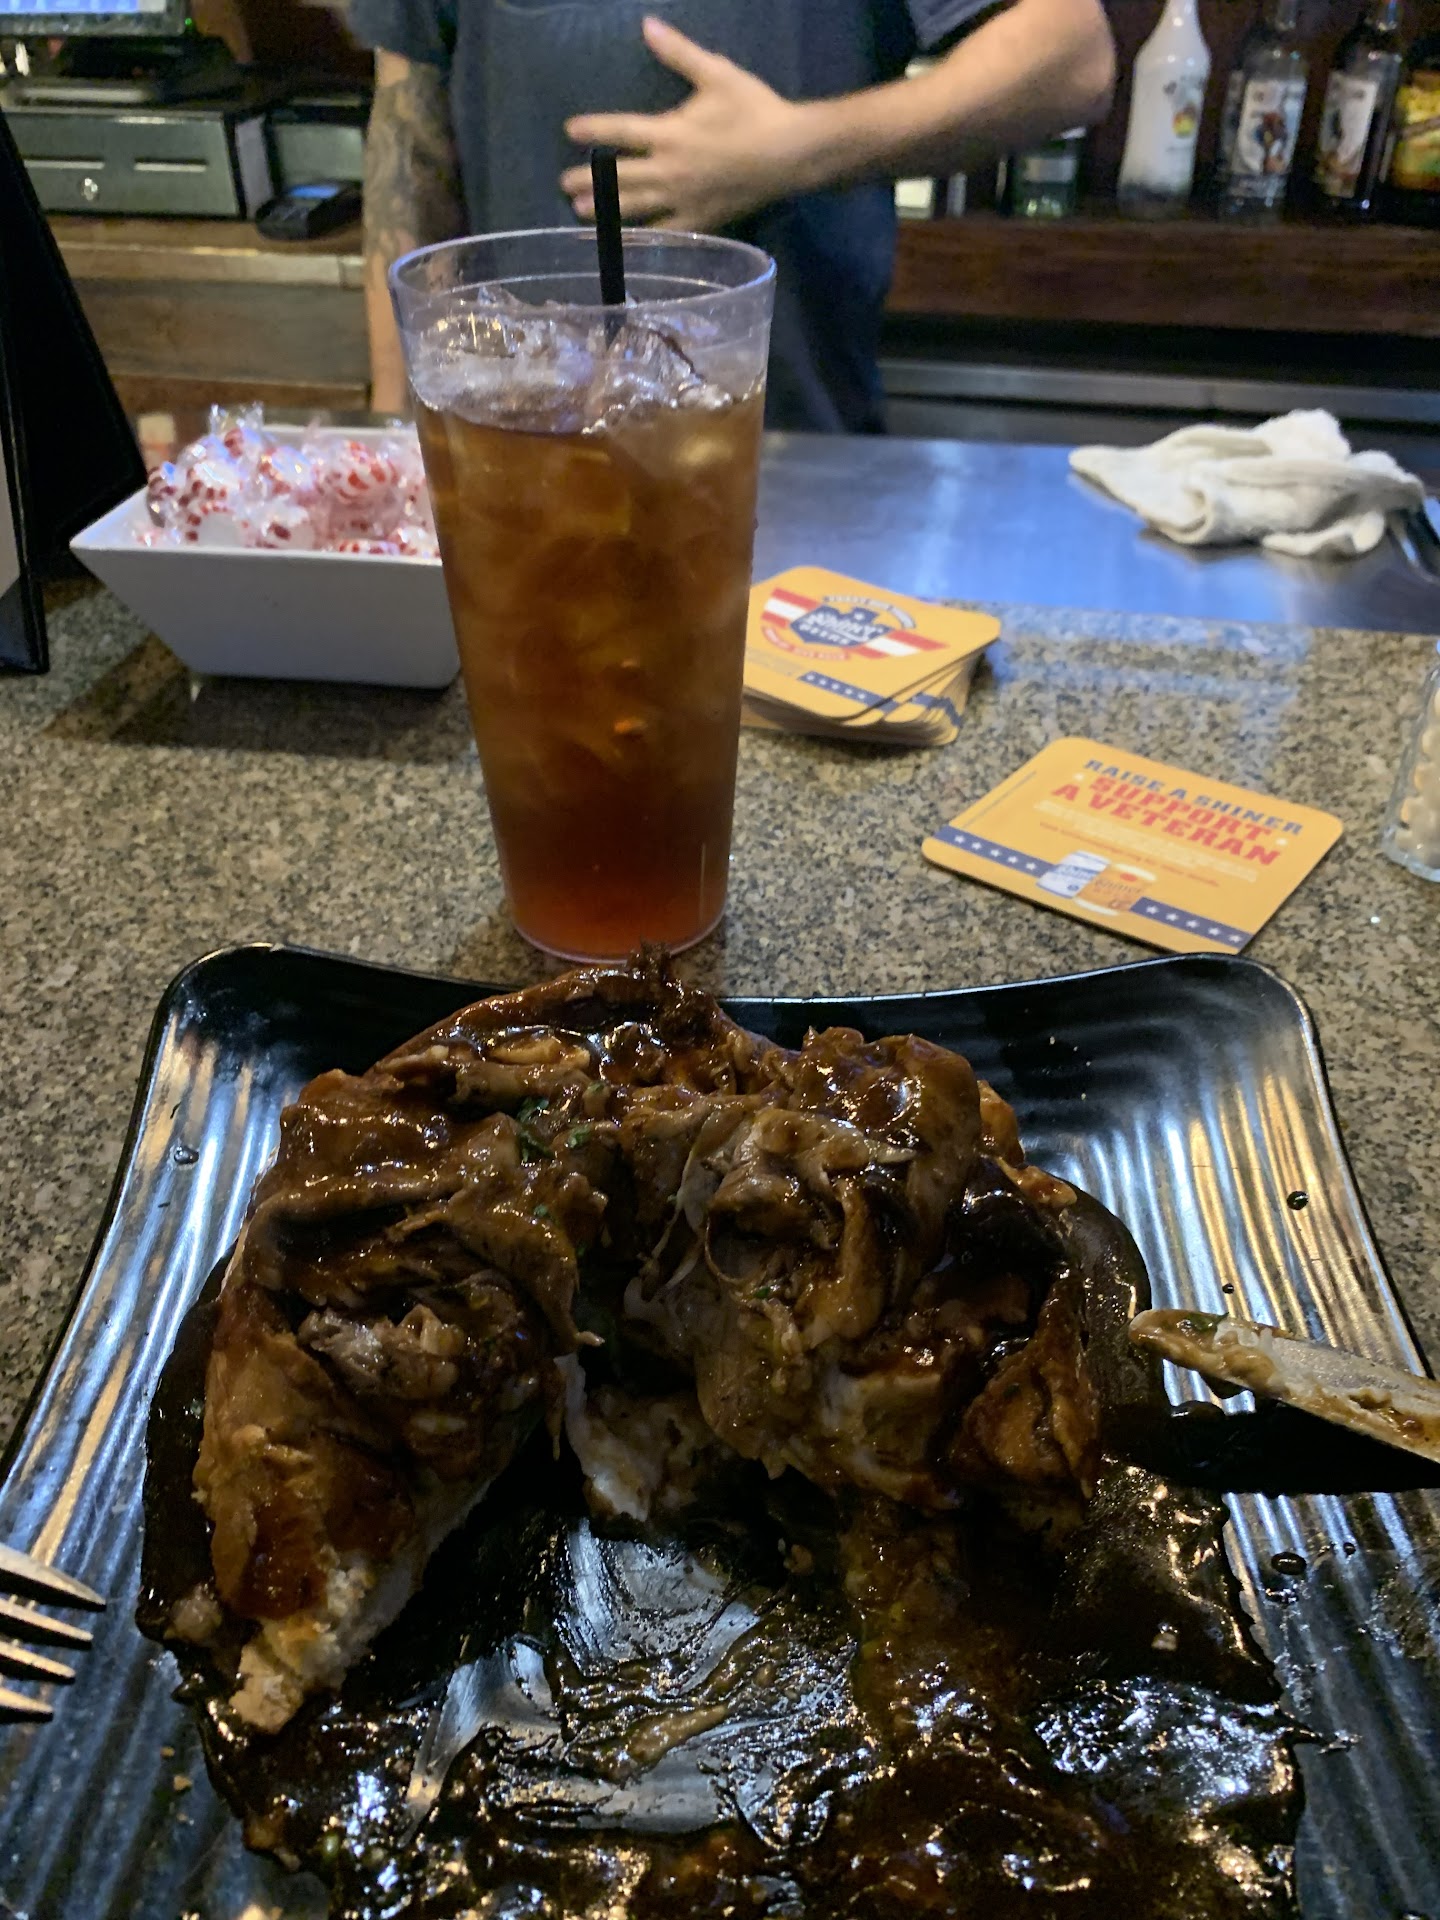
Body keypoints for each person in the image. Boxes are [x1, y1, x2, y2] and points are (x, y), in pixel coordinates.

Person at [352, 2, 1115, 433]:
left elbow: (1071, 53)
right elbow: (409, 129)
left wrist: (795, 149)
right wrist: (395, 426)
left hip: (788, 447)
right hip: (513, 451)